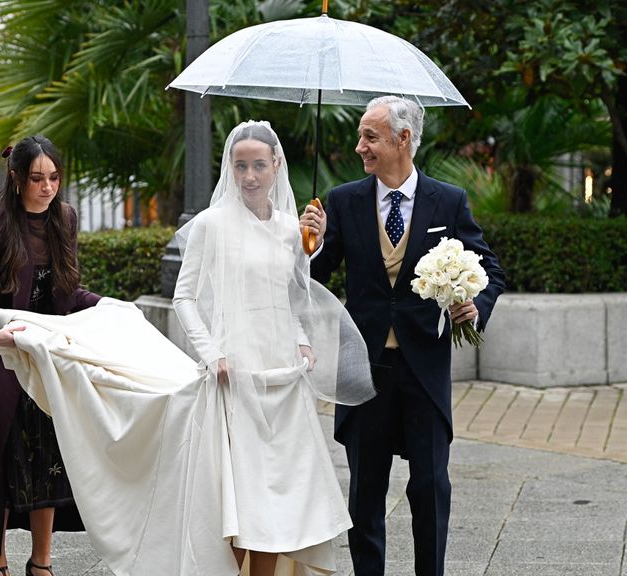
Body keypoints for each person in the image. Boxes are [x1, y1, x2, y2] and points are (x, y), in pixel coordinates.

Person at [301, 96, 505, 576]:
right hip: (364, 368)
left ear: (403, 139)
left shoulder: (448, 201)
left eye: (370, 137)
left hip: (424, 370)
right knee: (365, 495)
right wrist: (307, 243)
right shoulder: (343, 201)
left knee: (430, 488)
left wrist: (477, 306)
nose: (360, 148)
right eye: (361, 137)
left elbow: (489, 270)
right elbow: (312, 277)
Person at [171, 120, 374, 575]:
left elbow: (293, 296)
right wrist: (212, 353)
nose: (249, 176)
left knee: (280, 502)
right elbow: (183, 298)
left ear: (276, 166)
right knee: (241, 501)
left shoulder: (291, 229)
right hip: (234, 377)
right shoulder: (211, 225)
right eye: (240, 166)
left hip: (284, 376)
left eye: (259, 165)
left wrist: (303, 340)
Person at [0, 135, 101, 576]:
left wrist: (106, 305)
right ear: (17, 178)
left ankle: (42, 563)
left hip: (44, 355)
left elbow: (67, 291)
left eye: (54, 177)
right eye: (37, 178)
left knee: (48, 459)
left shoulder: (65, 220)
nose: (48, 187)